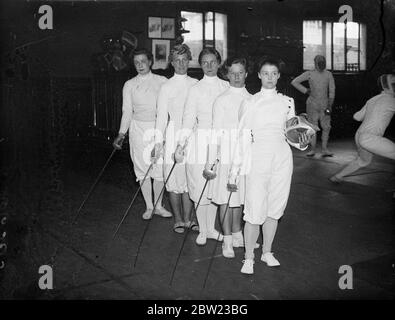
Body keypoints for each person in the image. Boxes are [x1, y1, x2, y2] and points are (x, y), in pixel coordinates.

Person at [229, 57, 310, 274]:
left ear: (278, 76)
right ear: (258, 75)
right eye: (266, 73)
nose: (270, 77)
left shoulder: (287, 102)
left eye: (274, 73)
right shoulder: (250, 102)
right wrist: (234, 171)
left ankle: (267, 252)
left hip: (282, 156)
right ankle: (248, 258)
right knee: (255, 208)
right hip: (257, 156)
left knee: (275, 208)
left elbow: (293, 134)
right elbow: (242, 136)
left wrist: (302, 144)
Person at [174, 48, 229, 246]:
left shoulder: (227, 86)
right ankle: (203, 230)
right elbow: (188, 119)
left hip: (221, 140)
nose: (208, 65)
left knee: (215, 185)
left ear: (219, 62)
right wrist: (181, 143)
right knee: (199, 184)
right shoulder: (195, 89)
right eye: (204, 62)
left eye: (212, 61)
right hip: (200, 141)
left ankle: (212, 229)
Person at [113, 48, 172, 220]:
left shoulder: (162, 81)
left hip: (158, 128)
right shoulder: (129, 84)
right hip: (138, 129)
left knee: (160, 168)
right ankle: (149, 206)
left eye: (143, 61)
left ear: (150, 61)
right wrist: (121, 134)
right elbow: (127, 111)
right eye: (136, 62)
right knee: (142, 169)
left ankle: (159, 206)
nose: (140, 65)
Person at [205, 57, 251, 258]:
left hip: (245, 152)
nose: (236, 76)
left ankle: (237, 234)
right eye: (232, 73)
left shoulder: (252, 99)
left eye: (240, 72)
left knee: (239, 197)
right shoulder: (222, 99)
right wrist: (212, 160)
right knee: (225, 197)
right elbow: (215, 132)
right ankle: (227, 240)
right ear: (227, 75)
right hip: (225, 152)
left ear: (246, 74)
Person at [154, 44, 198, 234]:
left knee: (190, 178)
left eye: (184, 59)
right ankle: (178, 219)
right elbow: (162, 116)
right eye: (177, 60)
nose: (181, 64)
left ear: (189, 61)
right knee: (173, 178)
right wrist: (158, 142)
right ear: (172, 63)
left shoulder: (196, 83)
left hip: (194, 135)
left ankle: (189, 219)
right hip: (173, 134)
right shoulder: (166, 86)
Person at [330, 74, 395, 183]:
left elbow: (357, 116)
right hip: (370, 138)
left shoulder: (372, 100)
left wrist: (372, 112)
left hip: (359, 135)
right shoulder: (391, 101)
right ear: (387, 86)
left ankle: (337, 177)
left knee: (363, 161)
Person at [291, 55, 335, 157]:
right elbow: (294, 82)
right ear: (315, 63)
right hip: (312, 104)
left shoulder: (328, 74)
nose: (321, 64)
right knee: (312, 126)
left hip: (325, 104)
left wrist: (330, 105)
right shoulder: (309, 73)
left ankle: (324, 149)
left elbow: (332, 91)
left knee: (326, 127)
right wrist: (306, 90)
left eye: (323, 61)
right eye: (319, 62)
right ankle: (313, 149)